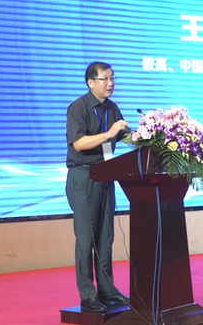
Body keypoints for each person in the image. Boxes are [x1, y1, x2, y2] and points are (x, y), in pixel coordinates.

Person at [65, 61, 130, 313]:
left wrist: (152, 135)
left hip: (105, 176)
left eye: (112, 78)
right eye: (105, 79)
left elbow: (124, 135)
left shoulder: (112, 108)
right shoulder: (78, 108)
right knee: (86, 238)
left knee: (105, 236)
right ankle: (88, 295)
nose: (110, 83)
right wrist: (109, 133)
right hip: (83, 177)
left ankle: (107, 290)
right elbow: (79, 144)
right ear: (91, 82)